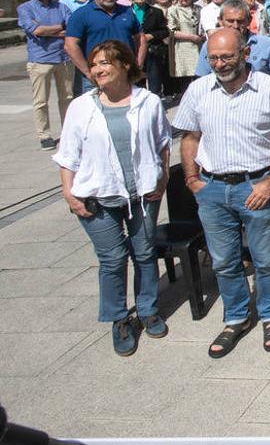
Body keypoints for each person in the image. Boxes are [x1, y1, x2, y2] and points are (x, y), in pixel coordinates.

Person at [174, 28, 270, 358]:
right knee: (225, 261)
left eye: (227, 56)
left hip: (257, 184)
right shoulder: (199, 90)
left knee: (265, 259)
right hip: (212, 188)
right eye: (213, 57)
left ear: (245, 54)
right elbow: (189, 137)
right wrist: (192, 179)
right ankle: (237, 317)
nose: (219, 63)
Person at [54, 40, 170, 355]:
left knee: (144, 254)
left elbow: (162, 141)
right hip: (96, 197)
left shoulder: (148, 102)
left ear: (124, 65)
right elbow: (67, 156)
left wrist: (163, 176)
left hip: (143, 194)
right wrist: (69, 192)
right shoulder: (81, 107)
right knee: (113, 259)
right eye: (95, 64)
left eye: (105, 62)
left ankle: (147, 309)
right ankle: (119, 319)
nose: (98, 69)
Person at [19, 0, 73, 150]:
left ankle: (68, 131)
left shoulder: (61, 7)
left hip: (62, 58)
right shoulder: (25, 9)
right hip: (39, 60)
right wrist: (59, 27)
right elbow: (37, 31)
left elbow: (70, 28)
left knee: (67, 98)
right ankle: (44, 135)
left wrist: (44, 30)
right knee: (41, 101)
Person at [65, 0, 146, 95]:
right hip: (97, 74)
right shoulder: (81, 14)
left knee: (129, 108)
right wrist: (88, 72)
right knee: (96, 110)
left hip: (125, 72)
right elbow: (70, 45)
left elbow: (141, 38)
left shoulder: (127, 12)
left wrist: (138, 64)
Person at [194, 0, 270, 84]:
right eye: (230, 21)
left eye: (240, 21)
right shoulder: (210, 45)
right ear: (220, 21)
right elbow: (201, 80)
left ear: (249, 20)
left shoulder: (267, 44)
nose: (235, 26)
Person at [128, 0, 169, 97]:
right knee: (136, 79)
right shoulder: (126, 12)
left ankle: (155, 102)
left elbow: (164, 31)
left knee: (154, 79)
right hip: (134, 50)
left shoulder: (155, 12)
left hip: (152, 50)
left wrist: (151, 35)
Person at [167, 0, 204, 96]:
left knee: (200, 75)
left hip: (199, 45)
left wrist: (201, 36)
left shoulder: (198, 8)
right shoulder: (173, 10)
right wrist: (191, 37)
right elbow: (172, 31)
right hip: (183, 47)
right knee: (186, 77)